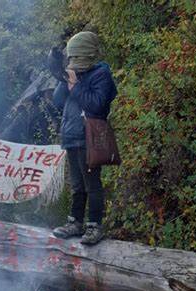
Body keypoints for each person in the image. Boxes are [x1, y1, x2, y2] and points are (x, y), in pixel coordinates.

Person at [52, 31, 117, 245]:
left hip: (89, 137)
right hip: (71, 135)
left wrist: (76, 86)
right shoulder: (74, 74)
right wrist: (64, 80)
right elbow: (58, 101)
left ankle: (94, 226)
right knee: (77, 185)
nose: (74, 62)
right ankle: (75, 222)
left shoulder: (101, 74)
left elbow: (97, 105)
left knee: (92, 184)